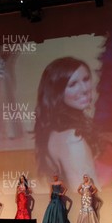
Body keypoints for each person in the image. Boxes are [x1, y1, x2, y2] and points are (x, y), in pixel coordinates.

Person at [34, 57, 99, 191]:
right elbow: (86, 197)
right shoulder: (73, 140)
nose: (84, 89)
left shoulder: (54, 132)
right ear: (57, 93)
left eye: (86, 79)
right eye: (73, 84)